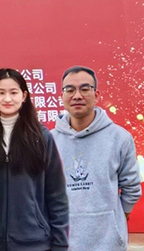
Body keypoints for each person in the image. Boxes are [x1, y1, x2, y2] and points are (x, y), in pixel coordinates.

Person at [51, 65, 142, 251]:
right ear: (62, 96)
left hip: (108, 244)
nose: (77, 96)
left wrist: (114, 221)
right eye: (70, 90)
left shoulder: (119, 138)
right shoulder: (49, 141)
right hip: (62, 243)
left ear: (96, 95)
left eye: (85, 89)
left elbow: (131, 187)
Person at [0, 68, 69, 251]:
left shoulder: (41, 137)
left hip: (34, 242)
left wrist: (60, 243)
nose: (7, 99)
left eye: (13, 92)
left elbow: (56, 194)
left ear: (24, 96)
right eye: (1, 93)